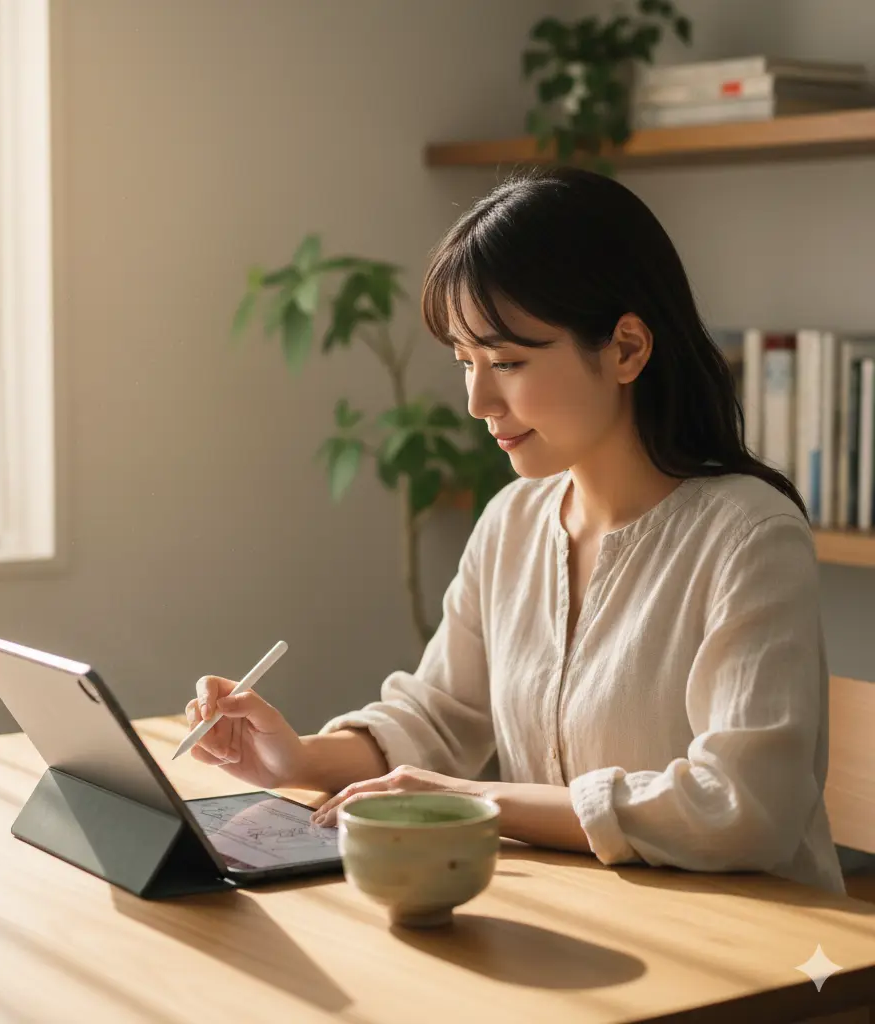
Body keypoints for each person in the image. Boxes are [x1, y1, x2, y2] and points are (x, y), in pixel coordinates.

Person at [187, 166, 846, 895]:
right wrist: (297, 759)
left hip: (764, 957)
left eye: (506, 361)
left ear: (627, 349)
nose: (476, 399)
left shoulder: (748, 535)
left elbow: (745, 807)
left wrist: (479, 801)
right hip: (583, 922)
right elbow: (437, 717)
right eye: (465, 362)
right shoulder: (512, 523)